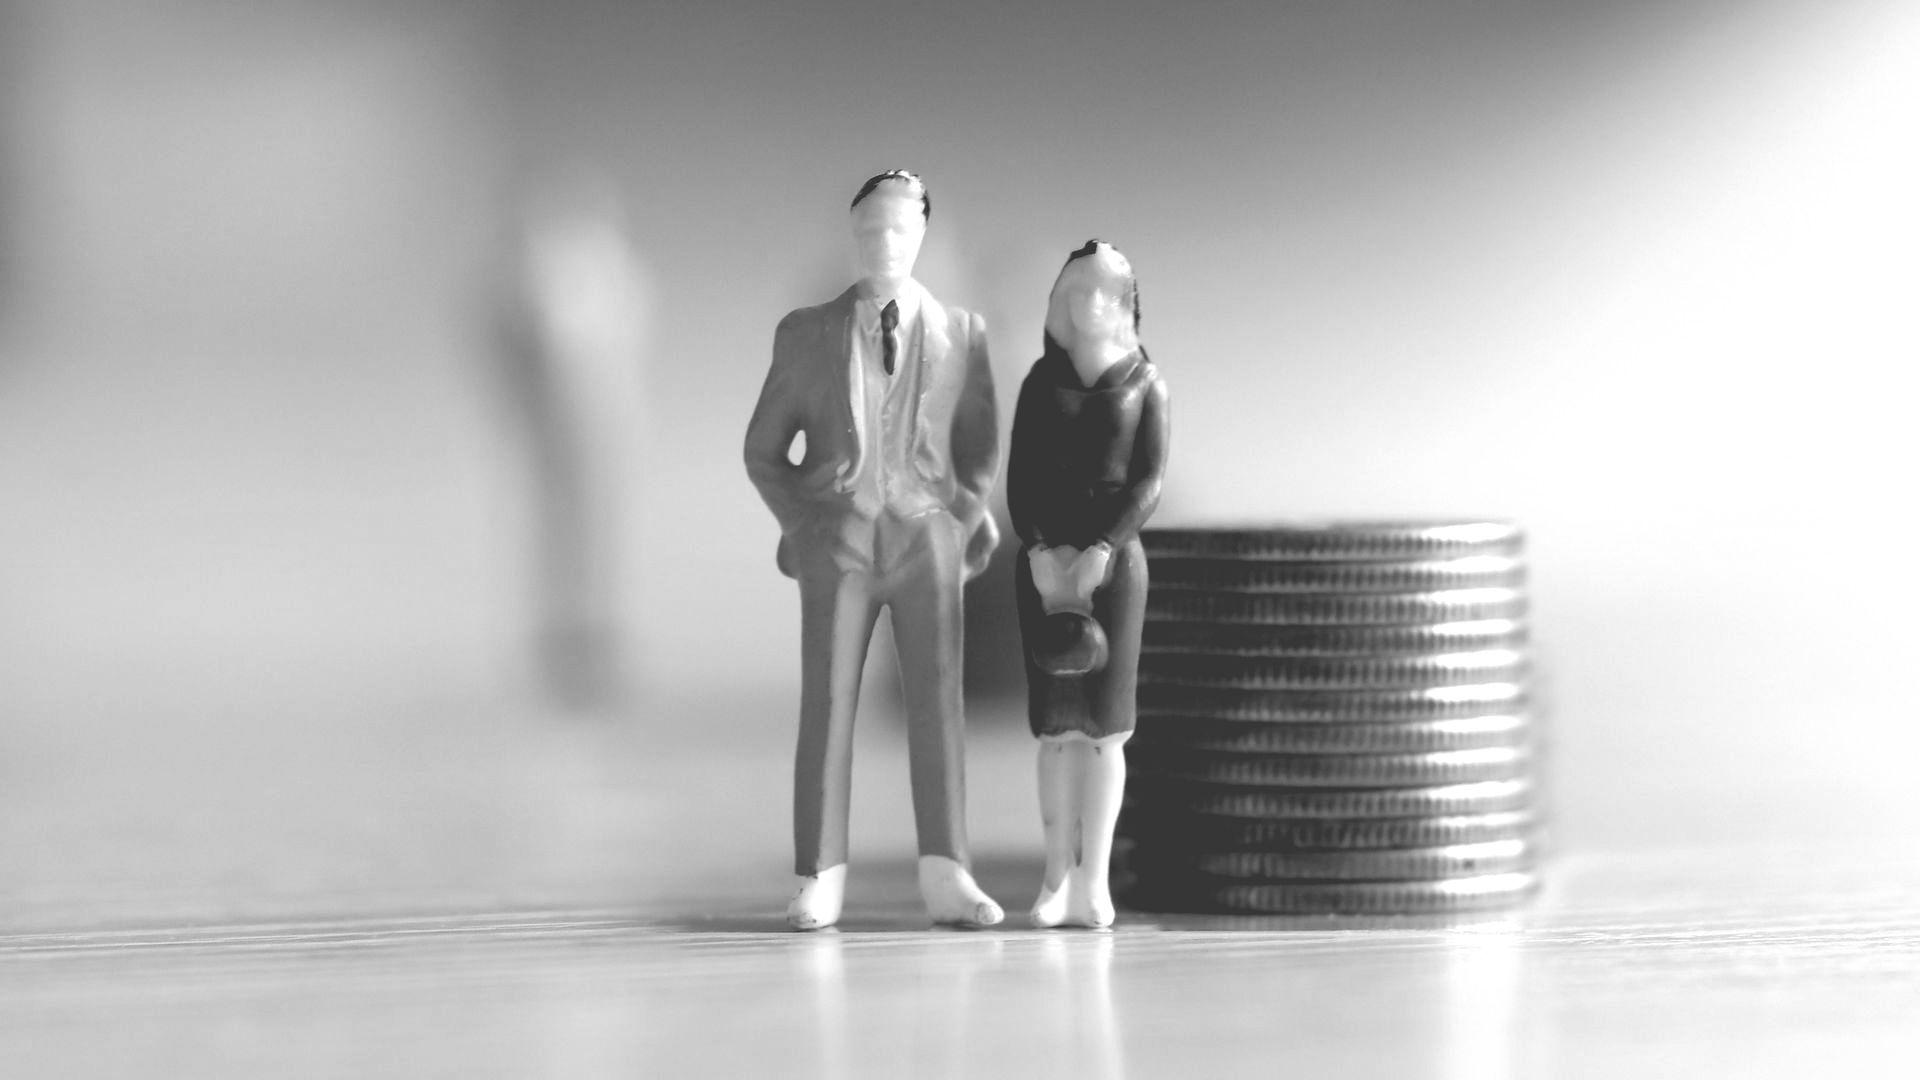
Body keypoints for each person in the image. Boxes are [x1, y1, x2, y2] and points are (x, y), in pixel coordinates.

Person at [744, 171, 1004, 930]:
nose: (884, 245)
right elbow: (766, 452)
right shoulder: (807, 332)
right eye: (870, 232)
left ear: (922, 235)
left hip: (925, 541)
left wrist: (960, 513)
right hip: (842, 544)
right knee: (827, 709)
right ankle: (819, 875)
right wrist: (806, 524)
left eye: (898, 231)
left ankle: (948, 871)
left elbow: (978, 440)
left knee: (938, 707)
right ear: (853, 237)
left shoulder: (963, 333)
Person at [1008, 240, 1170, 929]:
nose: (1090, 304)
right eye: (1078, 291)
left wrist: (1104, 545)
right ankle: (1053, 878)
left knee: (1104, 731)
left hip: (1114, 566)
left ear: (1127, 305)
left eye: (1106, 292)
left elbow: (1148, 481)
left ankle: (1093, 879)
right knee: (1054, 729)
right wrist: (1043, 549)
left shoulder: (1146, 384)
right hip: (1045, 563)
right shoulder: (1038, 385)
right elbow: (1018, 478)